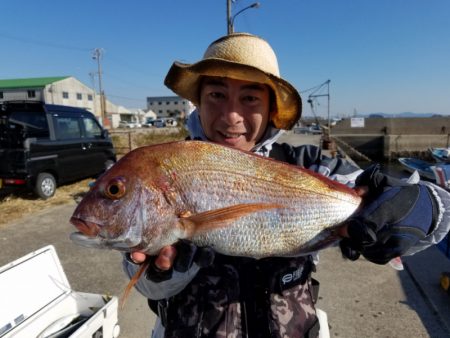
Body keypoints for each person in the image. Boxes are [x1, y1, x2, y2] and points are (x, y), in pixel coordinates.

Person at [123, 33, 450, 337]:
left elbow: (440, 208)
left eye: (250, 98)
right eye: (217, 95)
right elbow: (147, 286)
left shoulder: (309, 165)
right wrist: (165, 272)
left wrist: (420, 206)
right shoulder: (168, 169)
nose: (232, 115)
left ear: (270, 109)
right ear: (199, 101)